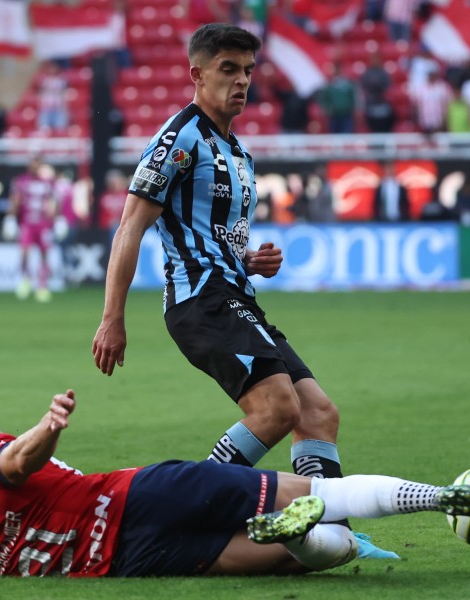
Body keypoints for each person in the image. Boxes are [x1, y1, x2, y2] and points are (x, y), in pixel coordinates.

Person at [91, 23, 395, 558]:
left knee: (318, 412)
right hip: (200, 301)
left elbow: (211, 239)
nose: (241, 82)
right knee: (277, 407)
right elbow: (131, 226)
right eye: (228, 69)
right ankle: (188, 516)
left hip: (233, 294)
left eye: (248, 71)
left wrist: (250, 261)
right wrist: (112, 316)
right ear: (198, 74)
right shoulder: (178, 139)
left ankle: (337, 534)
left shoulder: (237, 152)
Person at [0, 390, 470, 576]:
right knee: (307, 499)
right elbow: (16, 462)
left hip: (133, 562)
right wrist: (47, 427)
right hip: (142, 495)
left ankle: (313, 540)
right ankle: (450, 497)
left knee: (298, 559)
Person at [8, 156, 57, 302]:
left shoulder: (47, 183)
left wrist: (57, 219)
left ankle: (43, 285)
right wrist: (10, 218)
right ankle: (25, 279)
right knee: (24, 252)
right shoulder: (22, 181)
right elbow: (15, 200)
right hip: (27, 223)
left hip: (42, 223)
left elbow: (52, 202)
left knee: (44, 253)